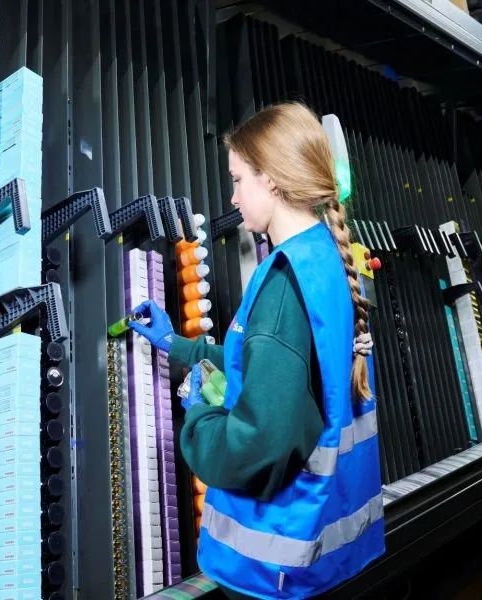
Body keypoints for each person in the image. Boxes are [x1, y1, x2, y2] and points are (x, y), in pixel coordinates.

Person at [129, 102, 384, 599]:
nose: (233, 195)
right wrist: (175, 343)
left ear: (271, 179)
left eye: (238, 178)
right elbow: (274, 363)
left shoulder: (285, 284)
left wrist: (198, 415)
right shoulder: (324, 256)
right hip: (323, 554)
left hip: (274, 567)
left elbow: (256, 447)